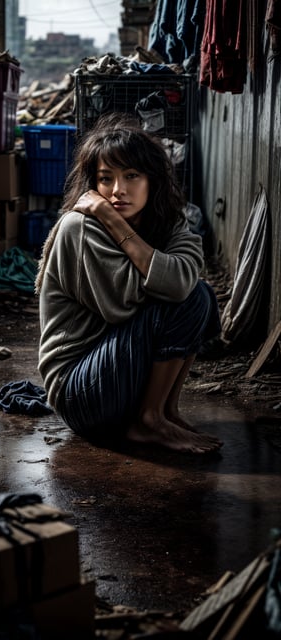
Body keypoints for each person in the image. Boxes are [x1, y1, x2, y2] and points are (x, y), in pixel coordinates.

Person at [35, 113, 223, 454]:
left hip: (118, 377)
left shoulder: (168, 222)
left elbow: (183, 277)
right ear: (93, 186)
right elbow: (121, 307)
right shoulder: (80, 228)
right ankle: (148, 420)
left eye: (131, 176)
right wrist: (107, 217)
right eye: (105, 179)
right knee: (187, 297)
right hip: (80, 391)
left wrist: (123, 231)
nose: (117, 190)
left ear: (153, 180)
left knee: (201, 294)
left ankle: (164, 412)